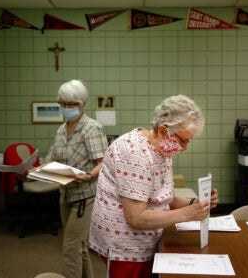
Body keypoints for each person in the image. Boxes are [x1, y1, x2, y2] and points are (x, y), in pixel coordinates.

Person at [89, 94, 218, 278]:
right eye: (184, 140)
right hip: (125, 245)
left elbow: (165, 197)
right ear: (164, 130)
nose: (186, 147)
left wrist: (194, 204)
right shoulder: (135, 153)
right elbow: (136, 218)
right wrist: (186, 214)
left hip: (150, 237)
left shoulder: (162, 150)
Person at [45, 80, 108, 278]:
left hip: (86, 196)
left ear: (83, 104)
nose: (67, 108)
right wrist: (31, 169)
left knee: (71, 246)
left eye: (72, 104)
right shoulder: (61, 130)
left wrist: (89, 175)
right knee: (79, 247)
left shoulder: (91, 128)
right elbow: (51, 159)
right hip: (66, 193)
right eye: (63, 104)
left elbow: (104, 162)